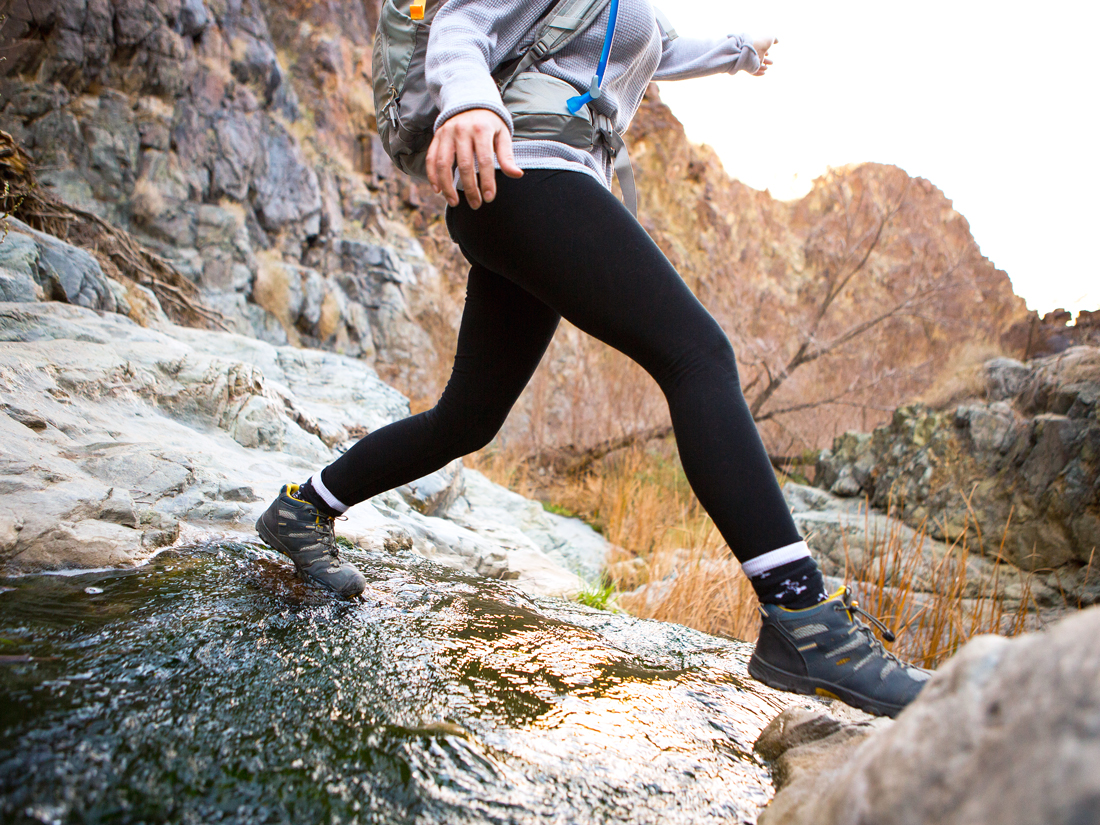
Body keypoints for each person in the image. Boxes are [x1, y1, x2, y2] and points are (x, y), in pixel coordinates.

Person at [256, 0, 930, 718]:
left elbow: (660, 47)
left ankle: (302, 509)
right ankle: (805, 622)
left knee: (467, 418)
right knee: (698, 354)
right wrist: (470, 103)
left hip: (532, 185)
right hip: (525, 169)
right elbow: (459, 23)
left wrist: (741, 51)